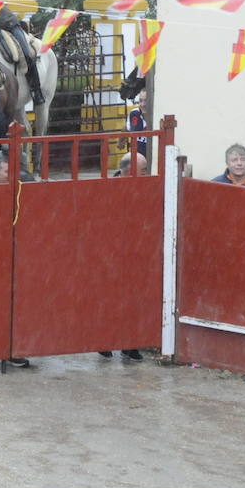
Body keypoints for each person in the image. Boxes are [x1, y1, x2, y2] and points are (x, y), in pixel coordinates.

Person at [99, 151, 147, 361]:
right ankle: (106, 341)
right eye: (144, 170)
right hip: (113, 253)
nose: (147, 173)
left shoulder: (147, 186)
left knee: (134, 298)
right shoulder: (108, 188)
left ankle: (130, 344)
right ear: (131, 170)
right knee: (111, 298)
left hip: (138, 251)